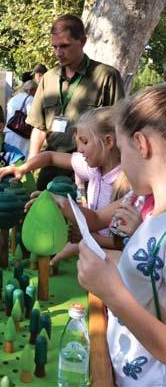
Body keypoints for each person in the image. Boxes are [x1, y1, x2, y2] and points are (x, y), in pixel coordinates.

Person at [76, 86, 166, 386]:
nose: (121, 161)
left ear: (141, 144)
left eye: (123, 150)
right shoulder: (154, 217)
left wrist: (111, 293)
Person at [0, 106, 129, 261]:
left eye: (85, 142)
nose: (79, 149)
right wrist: (22, 169)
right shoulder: (93, 168)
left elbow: (125, 242)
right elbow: (50, 157)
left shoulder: (129, 184)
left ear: (108, 141)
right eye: (78, 142)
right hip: (92, 252)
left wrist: (87, 236)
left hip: (115, 264)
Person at [26, 14, 125, 189]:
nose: (58, 53)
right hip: (50, 167)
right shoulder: (48, 78)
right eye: (54, 47)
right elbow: (39, 128)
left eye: (64, 46)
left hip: (89, 169)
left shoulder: (106, 76)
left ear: (83, 41)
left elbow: (119, 129)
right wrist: (30, 166)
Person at [4, 79, 38, 157]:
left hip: (9, 131)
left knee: (9, 157)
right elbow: (32, 117)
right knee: (20, 158)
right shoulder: (30, 99)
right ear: (32, 90)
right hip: (21, 133)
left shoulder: (13, 99)